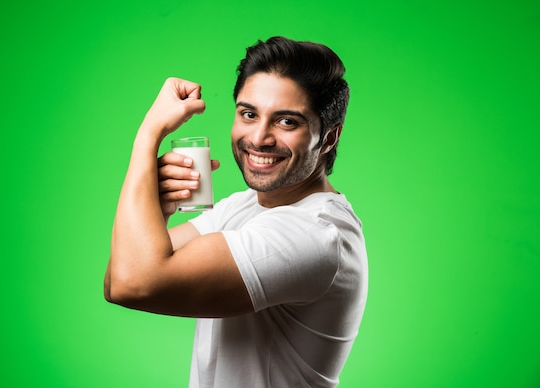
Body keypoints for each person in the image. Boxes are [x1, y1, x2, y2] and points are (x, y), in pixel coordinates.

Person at [104, 36, 368, 387]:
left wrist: (148, 134)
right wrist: (160, 208)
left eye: (287, 121)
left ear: (329, 137)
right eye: (249, 114)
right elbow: (119, 276)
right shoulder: (244, 205)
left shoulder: (315, 234)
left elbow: (133, 284)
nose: (259, 137)